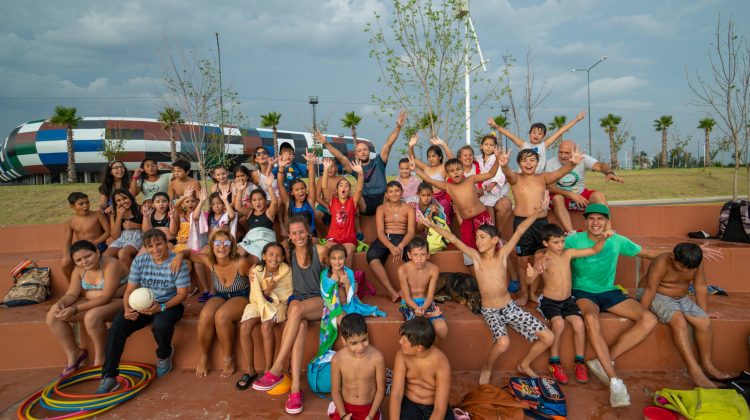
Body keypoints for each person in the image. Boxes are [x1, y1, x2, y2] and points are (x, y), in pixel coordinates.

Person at [418, 198, 554, 385]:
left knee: (548, 337)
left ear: (495, 240)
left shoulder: (503, 254)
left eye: (481, 237)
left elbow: (521, 230)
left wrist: (538, 213)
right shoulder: (476, 257)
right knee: (503, 343)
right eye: (476, 237)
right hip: (490, 310)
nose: (477, 240)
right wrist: (431, 224)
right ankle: (487, 366)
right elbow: (453, 239)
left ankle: (525, 364)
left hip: (509, 308)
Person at [562, 203, 661, 407]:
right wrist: (538, 259)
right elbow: (549, 250)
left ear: (607, 221)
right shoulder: (574, 240)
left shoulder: (617, 240)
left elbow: (649, 253)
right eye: (591, 219)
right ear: (586, 221)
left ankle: (607, 358)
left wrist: (685, 252)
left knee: (649, 319)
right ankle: (615, 381)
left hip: (609, 291)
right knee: (590, 318)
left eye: (600, 219)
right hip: (583, 292)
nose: (595, 223)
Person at [96, 229, 190, 394]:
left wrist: (160, 307)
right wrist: (126, 308)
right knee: (117, 327)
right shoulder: (140, 261)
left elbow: (182, 294)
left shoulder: (176, 262)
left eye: (159, 244)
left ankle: (164, 353)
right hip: (141, 303)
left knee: (160, 325)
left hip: (169, 304)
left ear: (166, 243)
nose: (156, 249)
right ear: (145, 248)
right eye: (150, 246)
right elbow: (128, 290)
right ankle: (109, 376)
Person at [252, 216, 327, 415]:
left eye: (301, 231)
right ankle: (295, 391)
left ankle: (278, 367)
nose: (298, 236)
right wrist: (257, 273)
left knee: (296, 310)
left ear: (308, 231)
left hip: (319, 300)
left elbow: (337, 271)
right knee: (299, 323)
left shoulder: (320, 251)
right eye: (294, 233)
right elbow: (269, 259)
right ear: (289, 236)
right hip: (299, 300)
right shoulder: (288, 252)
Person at [637, 242, 731, 388]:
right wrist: (641, 313)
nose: (686, 270)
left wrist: (703, 311)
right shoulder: (661, 261)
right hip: (655, 294)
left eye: (690, 268)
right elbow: (650, 288)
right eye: (682, 267)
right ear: (673, 256)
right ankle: (694, 370)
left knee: (703, 321)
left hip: (680, 298)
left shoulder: (695, 263)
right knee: (679, 321)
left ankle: (708, 365)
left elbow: (700, 286)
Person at [526, 223, 610, 384]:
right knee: (558, 324)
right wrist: (530, 274)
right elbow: (530, 279)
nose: (560, 246)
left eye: (562, 241)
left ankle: (580, 362)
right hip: (549, 302)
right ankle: (555, 362)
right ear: (546, 244)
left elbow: (594, 250)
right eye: (556, 242)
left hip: (567, 300)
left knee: (579, 323)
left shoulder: (568, 253)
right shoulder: (544, 261)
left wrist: (603, 239)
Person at [500, 147, 582, 306]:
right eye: (524, 160)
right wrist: (503, 165)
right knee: (523, 262)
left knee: (539, 259)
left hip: (540, 224)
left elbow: (559, 173)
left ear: (538, 162)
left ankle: (532, 293)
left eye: (532, 160)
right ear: (519, 164)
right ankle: (524, 293)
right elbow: (508, 173)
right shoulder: (516, 178)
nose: (528, 163)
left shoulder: (543, 177)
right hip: (522, 224)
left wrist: (572, 164)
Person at [172, 230, 252, 377]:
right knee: (206, 315)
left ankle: (228, 357)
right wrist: (179, 255)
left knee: (222, 316)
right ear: (212, 246)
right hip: (221, 295)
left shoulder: (240, 262)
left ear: (232, 246)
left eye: (226, 243)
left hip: (241, 295)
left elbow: (256, 271)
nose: (222, 247)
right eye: (218, 243)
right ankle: (204, 356)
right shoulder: (209, 260)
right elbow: (189, 253)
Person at [46, 240, 129, 375]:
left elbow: (105, 297)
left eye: (87, 256)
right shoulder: (79, 270)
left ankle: (102, 357)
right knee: (52, 315)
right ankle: (75, 354)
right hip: (100, 301)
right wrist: (61, 303)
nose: (84, 262)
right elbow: (72, 294)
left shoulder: (111, 264)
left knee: (92, 316)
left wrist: (75, 309)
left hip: (121, 300)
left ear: (97, 251)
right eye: (78, 260)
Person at [412, 147, 502, 267]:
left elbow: (491, 173)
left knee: (493, 245)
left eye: (458, 169)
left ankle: (509, 275)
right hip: (466, 222)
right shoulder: (448, 186)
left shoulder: (471, 179)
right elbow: (428, 179)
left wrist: (497, 159)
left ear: (463, 170)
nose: (456, 172)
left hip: (481, 217)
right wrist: (415, 169)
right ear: (448, 174)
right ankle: (474, 277)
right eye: (452, 171)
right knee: (468, 252)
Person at [317, 111, 406, 217]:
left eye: (365, 149)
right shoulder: (355, 167)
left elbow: (388, 144)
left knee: (390, 195)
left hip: (382, 199)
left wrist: (398, 127)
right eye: (359, 151)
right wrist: (325, 143)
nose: (362, 152)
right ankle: (358, 228)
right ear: (356, 154)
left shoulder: (379, 161)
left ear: (369, 151)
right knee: (355, 197)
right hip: (365, 201)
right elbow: (341, 157)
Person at [237, 242, 291, 390]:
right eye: (271, 254)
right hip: (258, 302)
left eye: (279, 255)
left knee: (266, 326)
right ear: (264, 256)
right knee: (244, 327)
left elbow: (285, 295)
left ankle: (268, 370)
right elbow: (255, 295)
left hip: (278, 304)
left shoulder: (286, 271)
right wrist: (267, 292)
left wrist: (268, 293)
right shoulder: (256, 270)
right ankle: (250, 370)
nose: (275, 258)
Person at [545, 140, 624, 234]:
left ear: (574, 152)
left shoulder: (582, 159)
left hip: (580, 194)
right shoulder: (550, 163)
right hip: (561, 196)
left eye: (567, 153)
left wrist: (609, 173)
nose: (563, 156)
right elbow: (550, 187)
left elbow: (600, 165)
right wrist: (570, 195)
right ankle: (571, 233)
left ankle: (608, 231)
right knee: (557, 198)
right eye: (560, 152)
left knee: (599, 195)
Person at [389, 317, 454, 420]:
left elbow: (439, 408)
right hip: (410, 406)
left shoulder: (441, 363)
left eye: (405, 341)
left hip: (433, 407)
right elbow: (396, 394)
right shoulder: (401, 355)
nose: (400, 342)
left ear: (419, 347)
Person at [489, 111, 586, 174]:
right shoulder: (524, 144)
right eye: (534, 132)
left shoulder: (544, 145)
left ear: (543, 136)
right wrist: (495, 126)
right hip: (522, 175)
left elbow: (560, 132)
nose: (536, 135)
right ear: (529, 134)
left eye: (540, 134)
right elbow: (509, 134)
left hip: (537, 177)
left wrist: (576, 120)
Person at [329, 313, 386, 420]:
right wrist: (343, 415)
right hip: (345, 408)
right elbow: (335, 391)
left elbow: (380, 390)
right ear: (344, 341)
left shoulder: (377, 358)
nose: (360, 347)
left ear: (367, 334)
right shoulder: (337, 359)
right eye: (354, 343)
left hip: (369, 410)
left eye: (364, 340)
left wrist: (370, 416)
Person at [366, 181, 415, 302]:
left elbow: (411, 231)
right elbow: (380, 232)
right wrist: (391, 247)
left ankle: (403, 291)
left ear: (402, 193)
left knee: (417, 259)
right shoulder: (381, 208)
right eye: (391, 191)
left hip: (403, 238)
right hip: (385, 238)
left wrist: (402, 245)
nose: (394, 194)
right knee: (372, 257)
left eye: (397, 191)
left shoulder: (409, 208)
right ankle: (391, 291)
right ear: (386, 194)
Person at [398, 237, 448, 339]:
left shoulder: (433, 269)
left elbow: (430, 296)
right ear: (409, 255)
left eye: (423, 254)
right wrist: (417, 309)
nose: (419, 259)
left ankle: (427, 315)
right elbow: (406, 297)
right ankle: (428, 315)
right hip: (409, 303)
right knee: (417, 330)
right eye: (415, 255)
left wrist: (423, 309)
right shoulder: (403, 270)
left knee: (442, 329)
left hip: (426, 302)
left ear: (428, 255)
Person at [320, 157, 364, 267]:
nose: (344, 187)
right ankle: (330, 277)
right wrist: (326, 168)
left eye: (346, 185)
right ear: (337, 190)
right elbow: (324, 187)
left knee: (348, 252)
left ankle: (346, 279)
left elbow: (359, 189)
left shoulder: (352, 202)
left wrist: (360, 173)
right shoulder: (333, 201)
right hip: (333, 238)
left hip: (349, 238)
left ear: (349, 190)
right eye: (341, 185)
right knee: (326, 252)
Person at [61, 192, 110, 280]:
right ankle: (73, 285)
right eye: (81, 204)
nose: (85, 206)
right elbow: (68, 241)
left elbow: (108, 232)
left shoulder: (98, 215)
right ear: (72, 206)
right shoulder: (70, 222)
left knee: (96, 260)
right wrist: (66, 255)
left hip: (98, 246)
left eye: (87, 202)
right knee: (65, 262)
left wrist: (94, 243)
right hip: (81, 249)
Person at [408, 133, 454, 224]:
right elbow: (412, 159)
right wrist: (411, 146)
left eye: (434, 156)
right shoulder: (426, 168)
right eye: (429, 156)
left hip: (441, 199)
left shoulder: (444, 167)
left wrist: (442, 143)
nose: (431, 159)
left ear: (440, 157)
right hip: (427, 198)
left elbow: (451, 158)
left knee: (444, 210)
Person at [237, 176, 279, 265]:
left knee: (255, 258)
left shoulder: (269, 213)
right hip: (250, 240)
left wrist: (269, 186)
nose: (258, 202)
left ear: (265, 200)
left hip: (264, 240)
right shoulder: (250, 212)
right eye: (254, 200)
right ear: (251, 202)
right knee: (238, 253)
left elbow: (275, 202)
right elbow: (238, 207)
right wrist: (240, 191)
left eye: (260, 199)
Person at [476, 134, 512, 229]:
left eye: (491, 145)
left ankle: (492, 229)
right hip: (483, 189)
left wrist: (493, 184)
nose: (488, 147)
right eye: (486, 144)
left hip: (494, 189)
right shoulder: (478, 159)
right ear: (481, 146)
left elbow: (500, 174)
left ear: (495, 147)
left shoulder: (496, 158)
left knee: (487, 204)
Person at [278, 151, 317, 237]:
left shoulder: (310, 201)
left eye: (302, 188)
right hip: (294, 238)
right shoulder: (289, 203)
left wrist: (310, 163)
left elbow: (311, 181)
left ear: (306, 189)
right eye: (297, 189)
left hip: (309, 237)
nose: (300, 191)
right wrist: (281, 167)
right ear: (292, 192)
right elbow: (280, 185)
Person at [103, 189, 143, 267]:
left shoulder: (140, 209)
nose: (122, 202)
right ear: (115, 203)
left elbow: (150, 228)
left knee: (123, 253)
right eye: (118, 200)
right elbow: (115, 236)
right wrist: (119, 216)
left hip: (138, 237)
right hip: (122, 238)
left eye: (125, 198)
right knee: (105, 256)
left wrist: (136, 226)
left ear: (130, 198)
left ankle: (129, 277)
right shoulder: (114, 214)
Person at [315, 156, 345, 239]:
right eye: (327, 167)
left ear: (336, 167)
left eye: (332, 166)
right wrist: (327, 206)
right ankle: (325, 236)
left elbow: (346, 196)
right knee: (316, 215)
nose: (330, 169)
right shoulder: (321, 179)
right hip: (324, 206)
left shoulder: (341, 179)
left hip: (338, 206)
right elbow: (317, 197)